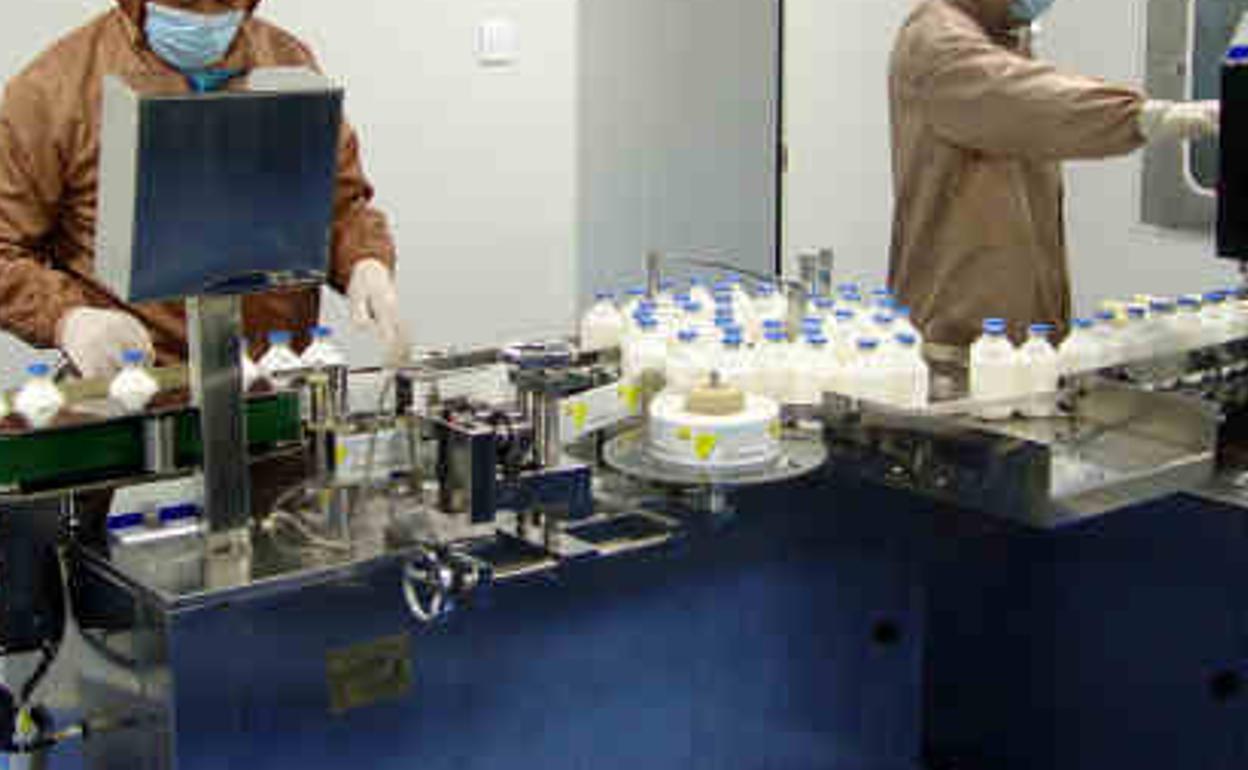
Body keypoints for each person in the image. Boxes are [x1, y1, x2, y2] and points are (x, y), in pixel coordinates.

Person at [0, 0, 408, 378]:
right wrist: (67, 318)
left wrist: (363, 261)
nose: (204, 17)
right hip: (141, 381)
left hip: (274, 376)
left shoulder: (283, 59)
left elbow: (336, 203)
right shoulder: (54, 91)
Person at [889, 0, 1220, 352]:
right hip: (959, 332)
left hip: (1020, 327)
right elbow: (1027, 98)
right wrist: (1143, 117)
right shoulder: (936, 39)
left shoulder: (1002, 37)